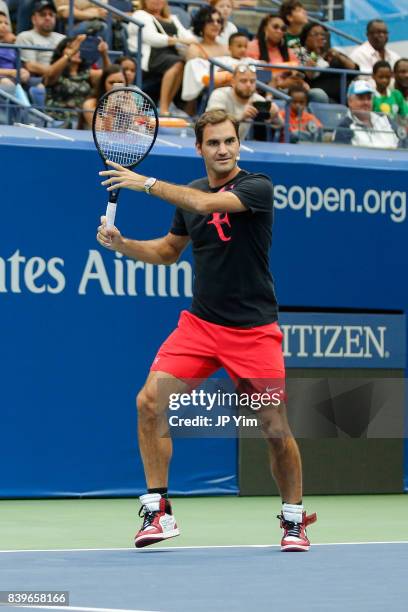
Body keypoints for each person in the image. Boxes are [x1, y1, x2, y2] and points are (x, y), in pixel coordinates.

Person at [96, 108, 317, 552]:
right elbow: (166, 252)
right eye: (213, 143)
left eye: (229, 141)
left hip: (254, 332)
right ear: (199, 148)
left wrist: (147, 184)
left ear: (239, 144)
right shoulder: (191, 192)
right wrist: (124, 245)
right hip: (200, 326)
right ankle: (158, 510)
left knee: (274, 427)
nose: (222, 149)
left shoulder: (257, 187)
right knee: (149, 402)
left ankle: (293, 519)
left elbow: (204, 203)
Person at [127, 0, 196, 115]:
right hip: (152, 56)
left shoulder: (172, 18)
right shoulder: (140, 15)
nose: (157, 1)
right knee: (177, 63)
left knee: (185, 64)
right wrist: (178, 40)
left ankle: (171, 107)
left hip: (172, 54)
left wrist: (187, 41)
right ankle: (164, 108)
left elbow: (188, 36)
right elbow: (152, 38)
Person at [44, 34, 110, 127]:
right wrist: (70, 53)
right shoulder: (56, 72)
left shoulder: (87, 74)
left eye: (78, 48)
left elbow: (109, 77)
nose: (77, 50)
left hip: (81, 122)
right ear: (61, 52)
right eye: (71, 47)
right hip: (57, 121)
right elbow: (50, 75)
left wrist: (104, 54)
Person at [206, 63, 281, 139]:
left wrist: (275, 115)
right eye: (243, 81)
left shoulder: (258, 100)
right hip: (214, 142)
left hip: (238, 145)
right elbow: (214, 124)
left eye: (252, 81)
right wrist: (240, 117)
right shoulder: (219, 94)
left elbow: (280, 125)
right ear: (233, 82)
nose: (248, 85)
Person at [299, 22, 359, 104]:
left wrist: (337, 56)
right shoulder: (301, 54)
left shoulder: (333, 54)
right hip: (324, 99)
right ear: (305, 39)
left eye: (323, 34)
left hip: (347, 98)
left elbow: (355, 69)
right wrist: (316, 54)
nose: (321, 37)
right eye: (316, 34)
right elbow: (309, 75)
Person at [333, 79, 400, 148]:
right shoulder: (344, 127)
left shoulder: (385, 118)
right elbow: (343, 155)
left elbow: (403, 140)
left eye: (369, 98)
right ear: (350, 101)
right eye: (361, 98)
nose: (366, 102)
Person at [15, 1, 65, 81]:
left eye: (51, 15)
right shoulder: (25, 36)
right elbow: (30, 66)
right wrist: (53, 72)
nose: (47, 18)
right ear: (33, 19)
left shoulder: (62, 38)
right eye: (43, 15)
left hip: (62, 78)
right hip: (39, 79)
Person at [82, 64, 126, 129]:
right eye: (111, 82)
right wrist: (109, 109)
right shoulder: (90, 104)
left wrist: (133, 111)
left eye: (120, 82)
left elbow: (138, 130)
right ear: (103, 83)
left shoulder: (130, 102)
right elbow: (101, 132)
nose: (116, 87)